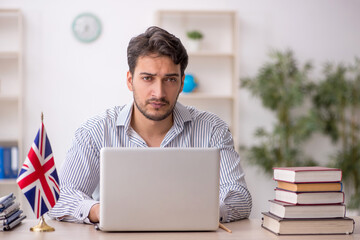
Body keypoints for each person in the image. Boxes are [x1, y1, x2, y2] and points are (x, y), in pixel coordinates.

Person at [48, 26, 252, 223]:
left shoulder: (212, 130)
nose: (159, 93)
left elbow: (239, 196)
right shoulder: (94, 131)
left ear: (182, 83)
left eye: (170, 80)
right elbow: (61, 196)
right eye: (147, 78)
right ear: (130, 81)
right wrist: (100, 211)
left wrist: (196, 212)